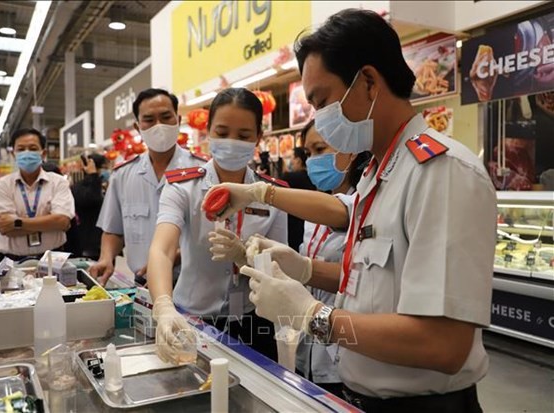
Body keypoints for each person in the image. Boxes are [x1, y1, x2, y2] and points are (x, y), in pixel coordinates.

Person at [205, 9, 496, 413]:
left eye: (322, 101)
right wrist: (304, 269)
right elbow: (381, 285)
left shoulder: (440, 173)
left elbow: (443, 343)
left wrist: (313, 315)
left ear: (369, 82)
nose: (321, 122)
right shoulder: (378, 175)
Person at [147, 88, 288, 363]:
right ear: (208, 131)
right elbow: (162, 250)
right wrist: (163, 306)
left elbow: (281, 266)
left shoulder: (272, 194)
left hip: (253, 322)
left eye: (244, 135)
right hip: (191, 319)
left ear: (258, 137)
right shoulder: (182, 186)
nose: (232, 142)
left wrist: (246, 255)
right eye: (222, 133)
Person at [90, 88, 207, 286]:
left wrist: (171, 257)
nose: (158, 125)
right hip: (141, 284)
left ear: (177, 119)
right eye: (149, 120)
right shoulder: (122, 175)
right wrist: (106, 257)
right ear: (138, 126)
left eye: (166, 117)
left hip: (192, 283)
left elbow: (212, 233)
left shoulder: (203, 171)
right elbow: (113, 230)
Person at [294, 121, 371, 398]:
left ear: (350, 152)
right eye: (308, 153)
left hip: (345, 349)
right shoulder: (312, 215)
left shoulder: (364, 205)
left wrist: (302, 269)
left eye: (320, 149)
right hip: (309, 347)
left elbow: (358, 278)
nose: (313, 160)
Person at [0, 128, 75, 262]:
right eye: (21, 149)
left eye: (33, 148)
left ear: (43, 153)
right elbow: (5, 228)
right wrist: (49, 223)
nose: (27, 153)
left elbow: (62, 222)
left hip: (54, 260)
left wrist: (16, 222)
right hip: (12, 261)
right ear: (13, 154)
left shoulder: (58, 182)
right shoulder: (2, 185)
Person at [71, 154, 109, 260]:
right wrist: (93, 175)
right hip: (89, 245)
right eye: (104, 168)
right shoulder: (79, 188)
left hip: (105, 243)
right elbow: (92, 199)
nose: (107, 171)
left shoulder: (104, 185)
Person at [280, 146, 316, 250]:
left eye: (291, 157)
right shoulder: (312, 177)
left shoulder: (291, 178)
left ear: (298, 160)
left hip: (293, 228)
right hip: (310, 225)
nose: (290, 161)